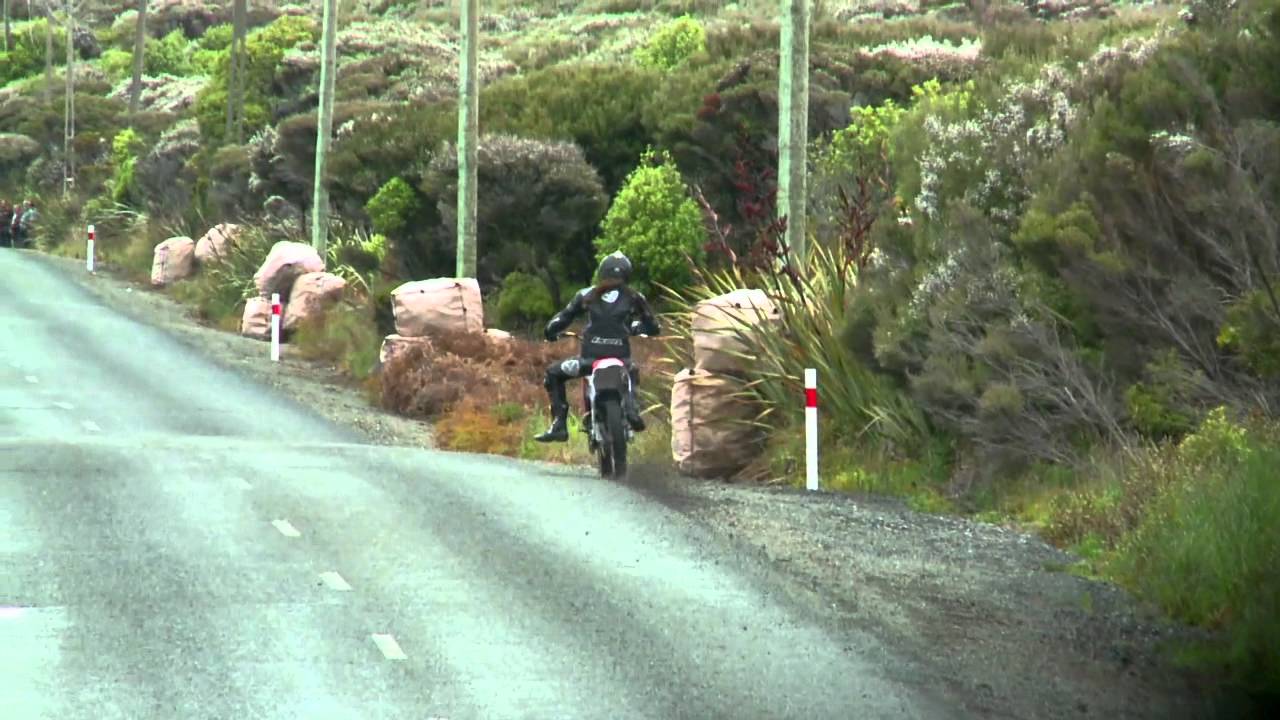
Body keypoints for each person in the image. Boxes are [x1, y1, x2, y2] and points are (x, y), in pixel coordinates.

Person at [535, 251, 660, 443]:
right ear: (627, 274)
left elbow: (562, 318)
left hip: (589, 361)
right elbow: (653, 327)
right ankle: (632, 409)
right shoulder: (635, 297)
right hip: (623, 361)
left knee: (553, 373)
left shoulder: (586, 294)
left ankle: (559, 424)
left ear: (602, 272)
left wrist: (550, 332)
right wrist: (634, 328)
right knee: (633, 371)